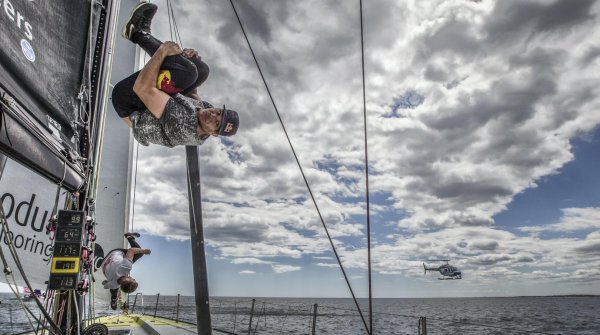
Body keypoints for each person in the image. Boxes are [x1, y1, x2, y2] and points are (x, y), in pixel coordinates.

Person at [112, 1, 239, 147]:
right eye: (218, 112)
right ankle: (139, 33)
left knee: (188, 73)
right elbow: (191, 92)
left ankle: (137, 33)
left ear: (214, 134)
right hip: (147, 101)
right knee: (201, 70)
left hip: (129, 103)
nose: (212, 115)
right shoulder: (205, 111)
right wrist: (190, 59)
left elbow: (142, 88)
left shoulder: (182, 123)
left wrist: (163, 51)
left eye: (216, 123)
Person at [101, 232, 150, 310]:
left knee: (139, 253)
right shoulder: (114, 285)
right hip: (103, 263)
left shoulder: (126, 267)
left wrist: (144, 251)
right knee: (114, 288)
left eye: (133, 279)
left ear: (126, 281)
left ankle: (129, 237)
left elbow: (131, 250)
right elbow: (105, 285)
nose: (132, 277)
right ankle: (113, 299)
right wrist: (106, 282)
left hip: (114, 253)